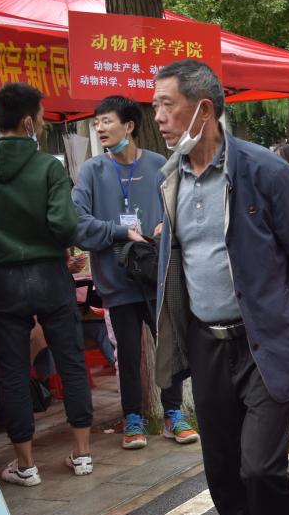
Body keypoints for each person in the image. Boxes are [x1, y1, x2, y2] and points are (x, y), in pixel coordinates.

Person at [151, 59, 289, 515]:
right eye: (155, 106)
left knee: (261, 468)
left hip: (263, 344)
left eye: (166, 105)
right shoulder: (171, 179)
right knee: (224, 470)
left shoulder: (264, 172)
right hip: (207, 345)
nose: (158, 118)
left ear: (202, 109)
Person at [0, 82, 94, 486]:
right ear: (29, 121)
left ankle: (25, 464)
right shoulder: (47, 167)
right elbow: (65, 225)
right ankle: (82, 454)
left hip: (2, 279)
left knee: (12, 371)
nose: (43, 124)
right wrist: (57, 242)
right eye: (42, 118)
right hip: (50, 275)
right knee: (71, 360)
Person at [73, 95, 198, 451]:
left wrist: (166, 225)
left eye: (106, 121)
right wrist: (119, 231)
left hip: (158, 278)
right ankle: (133, 418)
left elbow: (184, 209)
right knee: (127, 355)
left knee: (169, 345)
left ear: (129, 126)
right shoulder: (92, 171)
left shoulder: (159, 165)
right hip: (116, 282)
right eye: (96, 123)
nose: (100, 128)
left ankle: (173, 414)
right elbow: (77, 224)